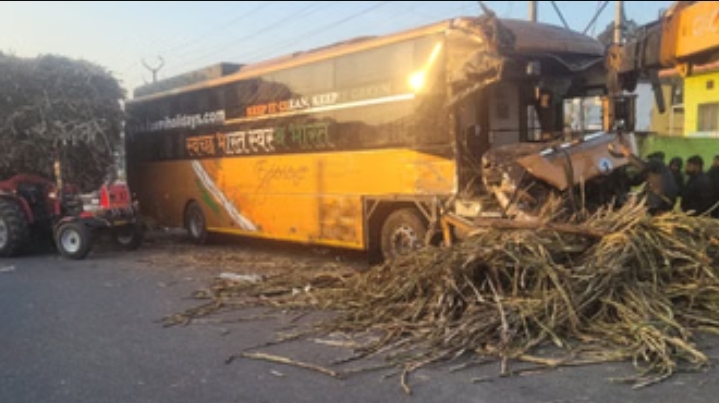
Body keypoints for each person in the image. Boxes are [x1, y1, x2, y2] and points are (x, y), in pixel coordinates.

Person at [616, 145, 678, 215]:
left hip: (657, 200)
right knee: (633, 197)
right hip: (667, 202)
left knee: (624, 199)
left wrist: (628, 155)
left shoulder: (657, 163)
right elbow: (636, 181)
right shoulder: (660, 172)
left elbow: (643, 167)